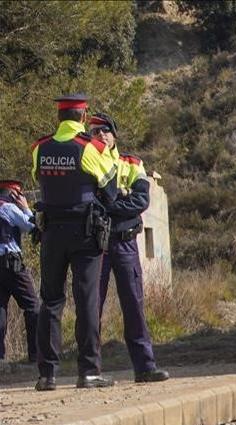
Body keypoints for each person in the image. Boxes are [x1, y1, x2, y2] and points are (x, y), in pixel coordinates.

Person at [30, 93, 119, 391]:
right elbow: (111, 193)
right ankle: (89, 371)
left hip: (51, 234)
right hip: (85, 234)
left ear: (59, 118)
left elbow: (39, 180)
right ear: (82, 117)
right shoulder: (90, 148)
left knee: (50, 301)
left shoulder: (39, 148)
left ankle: (47, 375)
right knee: (87, 301)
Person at [88, 113, 169, 383]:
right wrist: (121, 199)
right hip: (95, 245)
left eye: (106, 130)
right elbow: (89, 204)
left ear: (114, 135)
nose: (101, 135)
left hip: (124, 243)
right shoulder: (85, 161)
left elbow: (140, 201)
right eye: (95, 131)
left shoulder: (132, 163)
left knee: (134, 305)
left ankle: (145, 367)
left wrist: (109, 205)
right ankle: (90, 371)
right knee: (91, 307)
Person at [0, 180, 39, 364]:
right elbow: (32, 226)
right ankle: (36, 354)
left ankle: (0, 358)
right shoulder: (9, 208)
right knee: (33, 306)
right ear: (13, 194)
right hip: (11, 264)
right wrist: (26, 208)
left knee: (0, 310)